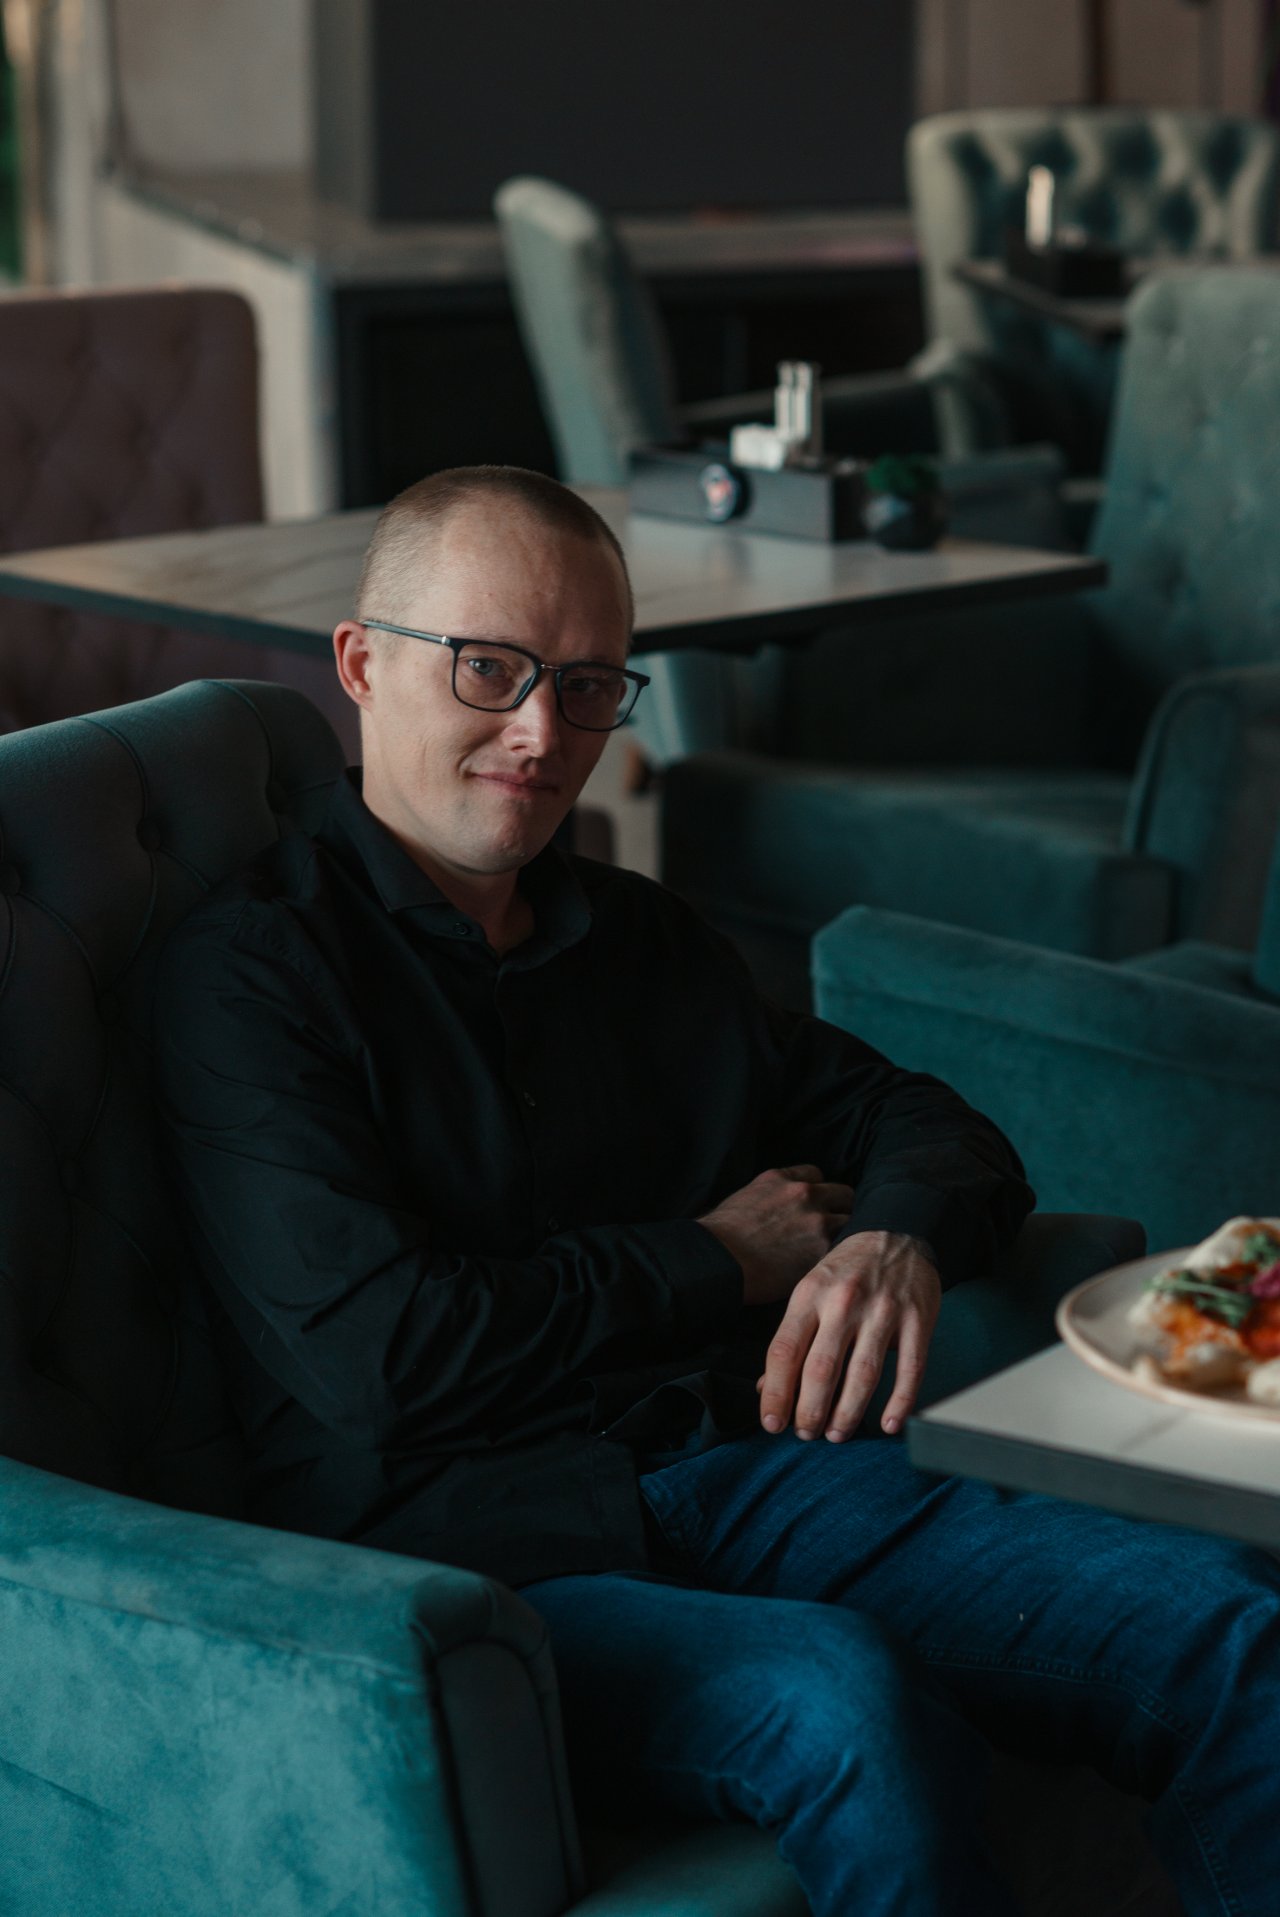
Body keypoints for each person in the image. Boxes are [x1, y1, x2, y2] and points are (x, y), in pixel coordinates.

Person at [154, 465, 1280, 1917]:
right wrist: (716, 1257)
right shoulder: (252, 973)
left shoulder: (644, 944)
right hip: (468, 1565)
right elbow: (385, 1356)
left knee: (1228, 1622)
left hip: (747, 1473)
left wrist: (893, 1240)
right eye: (489, 667)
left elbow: (926, 1120)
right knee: (843, 1702)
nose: (542, 730)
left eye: (588, 684)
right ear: (364, 665)